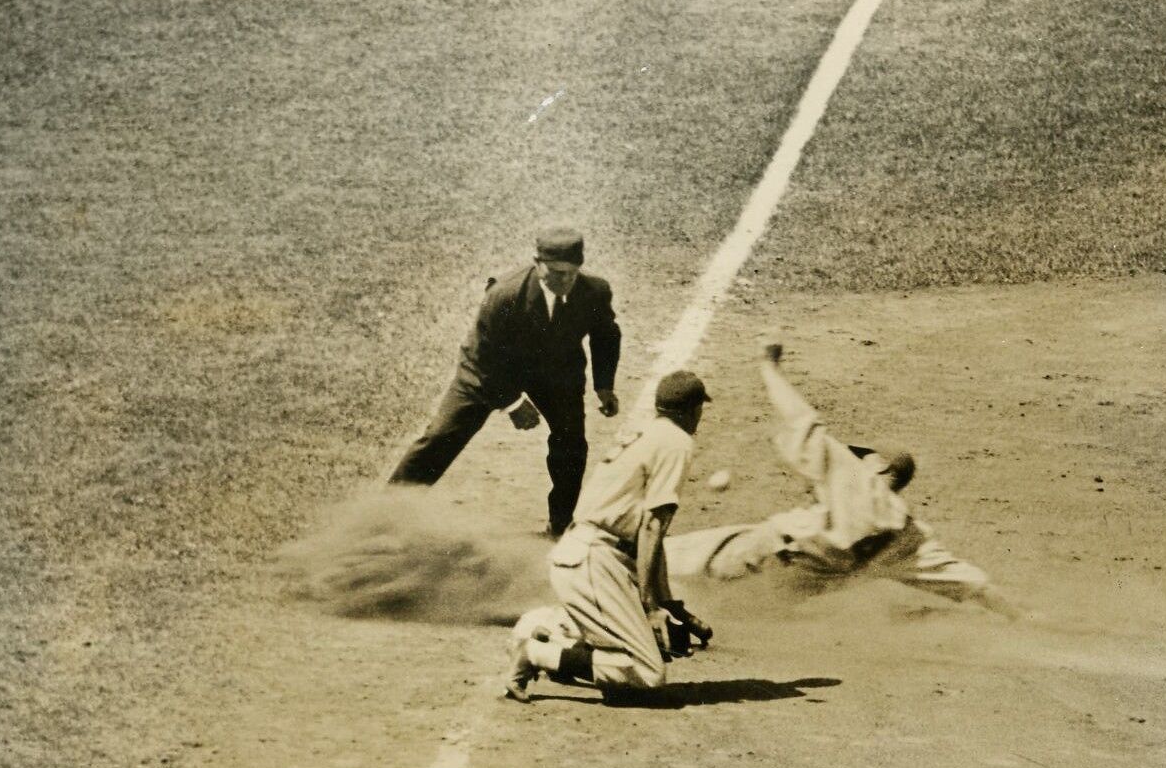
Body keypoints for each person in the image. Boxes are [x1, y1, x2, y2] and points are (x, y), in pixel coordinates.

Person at [665, 343, 1013, 614]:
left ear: (879, 468)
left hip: (757, 555)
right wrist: (1023, 615)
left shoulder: (861, 481)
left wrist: (769, 366)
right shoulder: (910, 539)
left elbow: (802, 421)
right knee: (729, 609)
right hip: (781, 592)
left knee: (652, 559)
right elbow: (973, 584)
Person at [389, 228, 621, 537]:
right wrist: (512, 403)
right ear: (538, 264)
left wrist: (604, 385)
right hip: (490, 369)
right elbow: (486, 359)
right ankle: (387, 515)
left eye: (572, 273)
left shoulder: (595, 291)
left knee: (572, 443)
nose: (565, 280)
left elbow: (606, 335)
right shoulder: (504, 295)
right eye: (556, 273)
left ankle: (560, 525)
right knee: (441, 436)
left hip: (553, 371)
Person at [505, 370, 712, 702]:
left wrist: (669, 602)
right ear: (692, 410)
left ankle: (544, 628)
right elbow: (652, 529)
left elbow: (649, 533)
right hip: (596, 563)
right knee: (647, 672)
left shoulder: (645, 433)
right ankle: (536, 651)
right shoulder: (677, 443)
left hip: (582, 555)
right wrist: (649, 607)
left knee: (630, 646)